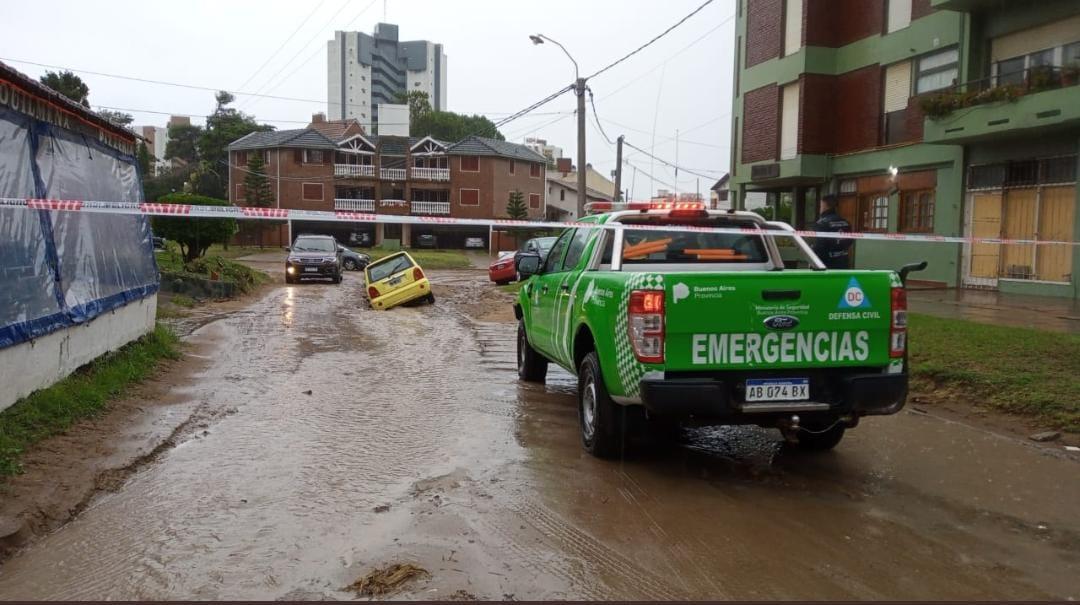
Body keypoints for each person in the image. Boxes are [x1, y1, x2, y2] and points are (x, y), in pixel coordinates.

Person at [811, 194, 853, 269]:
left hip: (826, 263)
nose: (820, 208)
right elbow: (850, 240)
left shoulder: (822, 223)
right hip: (843, 261)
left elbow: (819, 246)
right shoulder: (846, 222)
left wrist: (813, 257)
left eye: (820, 206)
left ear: (824, 205)